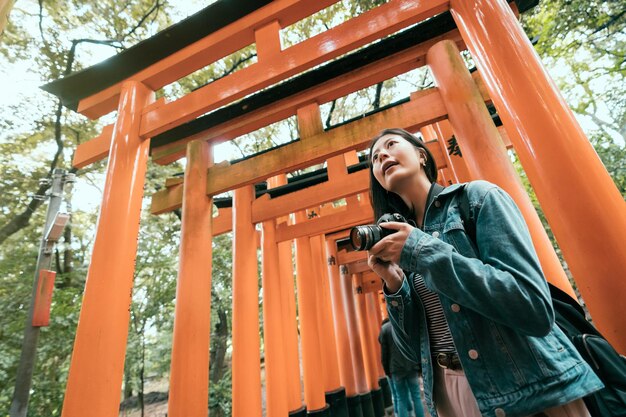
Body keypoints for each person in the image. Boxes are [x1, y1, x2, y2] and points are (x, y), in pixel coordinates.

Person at [365, 128, 603, 417]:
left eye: (391, 145)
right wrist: (395, 285)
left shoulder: (478, 198)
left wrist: (422, 251)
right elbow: (412, 353)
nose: (383, 156)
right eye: (375, 158)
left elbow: (534, 308)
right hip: (448, 394)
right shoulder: (403, 240)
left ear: (421, 155)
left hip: (529, 388)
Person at [379, 317, 425, 417]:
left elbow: (384, 354)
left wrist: (387, 372)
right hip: (411, 365)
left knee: (401, 398)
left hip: (396, 369)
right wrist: (420, 367)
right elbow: (416, 345)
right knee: (416, 396)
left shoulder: (385, 329)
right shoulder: (405, 324)